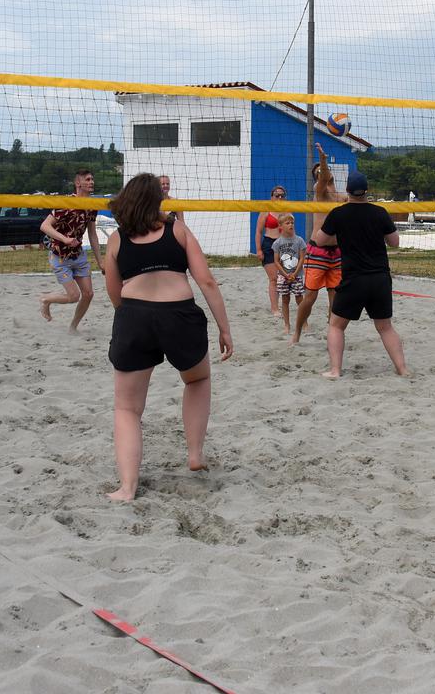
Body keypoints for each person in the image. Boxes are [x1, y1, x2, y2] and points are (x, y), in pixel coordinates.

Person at [102, 173, 233, 502]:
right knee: (197, 379)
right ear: (156, 201)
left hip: (133, 315)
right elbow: (207, 282)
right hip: (179, 316)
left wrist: (131, 315)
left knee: (127, 409)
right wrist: (224, 328)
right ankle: (194, 454)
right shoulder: (178, 230)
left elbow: (113, 291)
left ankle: (127, 487)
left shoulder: (118, 239)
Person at [312, 170, 409, 379]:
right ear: (367, 191)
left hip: (354, 279)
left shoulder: (338, 214)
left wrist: (339, 232)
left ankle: (335, 371)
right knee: (385, 327)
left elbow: (319, 240)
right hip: (380, 278)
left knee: (336, 325)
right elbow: (394, 242)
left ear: (347, 191)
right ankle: (403, 369)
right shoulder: (380, 212)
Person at [39, 168, 103, 333]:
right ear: (78, 183)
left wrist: (100, 261)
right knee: (74, 297)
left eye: (92, 179)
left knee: (88, 294)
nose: (91, 182)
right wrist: (64, 239)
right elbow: (44, 226)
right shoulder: (66, 203)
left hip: (78, 255)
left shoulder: (92, 205)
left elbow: (93, 234)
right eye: (87, 179)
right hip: (59, 256)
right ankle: (46, 300)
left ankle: (73, 327)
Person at [294, 144, 341, 344]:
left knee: (335, 298)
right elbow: (322, 177)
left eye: (324, 169)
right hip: (318, 251)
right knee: (310, 297)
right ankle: (297, 332)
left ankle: (333, 333)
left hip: (336, 253)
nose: (322, 173)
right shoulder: (319, 190)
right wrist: (322, 159)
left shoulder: (339, 196)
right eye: (319, 172)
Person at [271, 213, 308, 338]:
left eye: (292, 222)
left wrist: (295, 273)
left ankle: (304, 322)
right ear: (280, 226)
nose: (291, 224)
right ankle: (287, 325)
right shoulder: (277, 243)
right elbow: (276, 261)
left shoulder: (299, 240)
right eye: (287, 223)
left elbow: (302, 258)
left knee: (299, 299)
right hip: (283, 275)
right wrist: (285, 274)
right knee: (285, 299)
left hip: (297, 274)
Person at [255, 185, 287, 318]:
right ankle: (274, 309)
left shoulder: (287, 211)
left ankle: (278, 305)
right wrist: (258, 250)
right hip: (269, 244)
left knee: (282, 278)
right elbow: (258, 231)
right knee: (273, 279)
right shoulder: (266, 210)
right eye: (276, 195)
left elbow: (291, 231)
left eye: (282, 195)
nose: (279, 198)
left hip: (284, 245)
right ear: (271, 197)